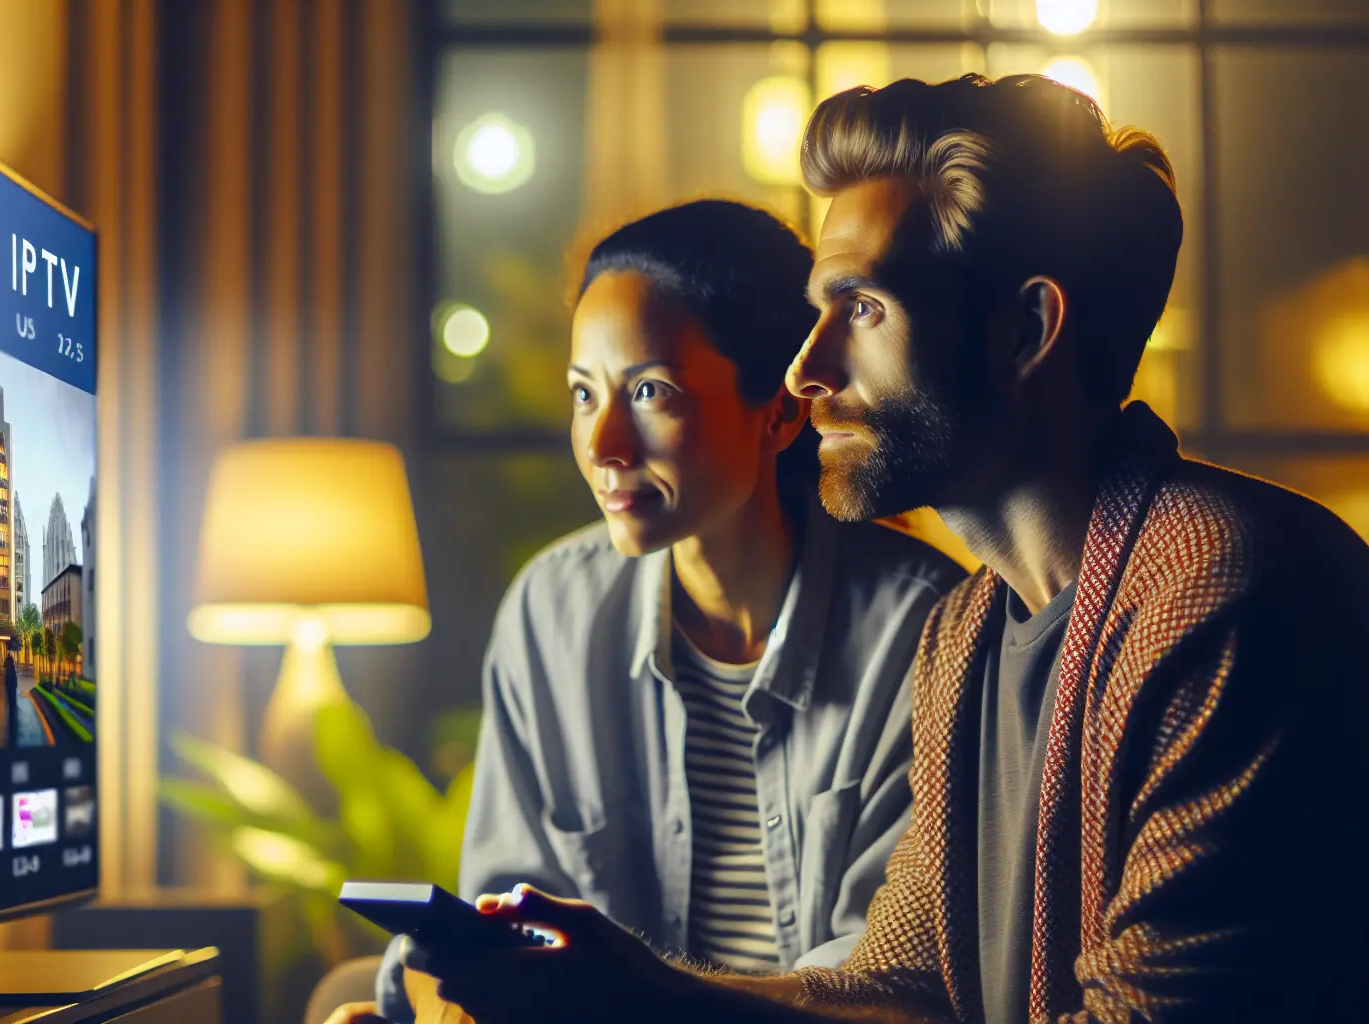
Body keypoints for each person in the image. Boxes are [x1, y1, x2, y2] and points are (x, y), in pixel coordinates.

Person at [410, 75, 1369, 1023]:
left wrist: (642, 1002)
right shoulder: (968, 631)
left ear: (1023, 332)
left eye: (861, 309)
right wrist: (631, 991)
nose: (809, 367)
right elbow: (896, 990)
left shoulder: (1224, 599)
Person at [327, 200, 965, 1024]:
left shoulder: (924, 634)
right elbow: (505, 908)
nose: (603, 446)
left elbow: (881, 993)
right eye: (583, 395)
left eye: (651, 391)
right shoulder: (552, 611)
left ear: (779, 411)